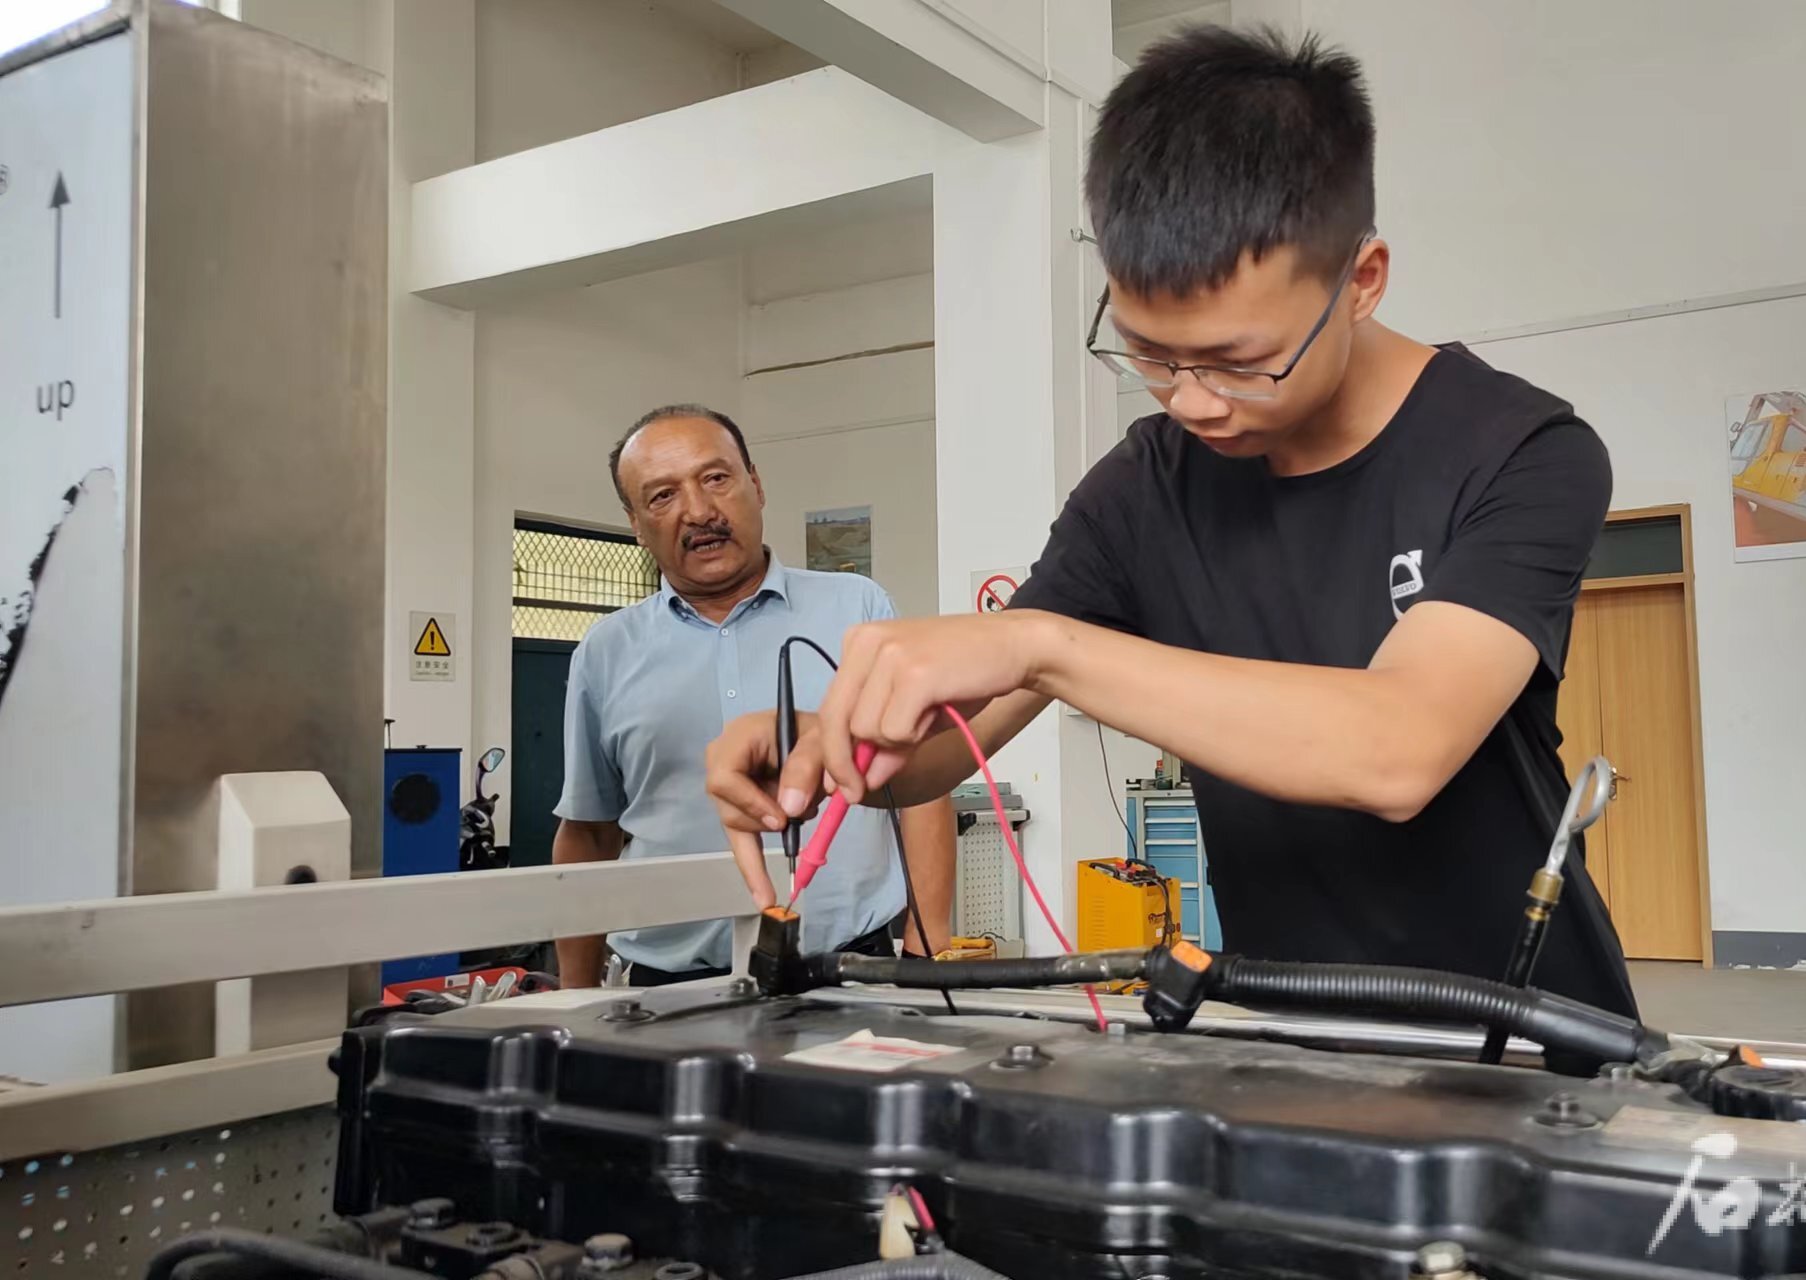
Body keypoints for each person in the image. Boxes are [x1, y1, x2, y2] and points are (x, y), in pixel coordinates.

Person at [704, 27, 1634, 1022]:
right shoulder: (1144, 487)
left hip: (1528, 1027)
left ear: (1360, 280)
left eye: (1240, 362)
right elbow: (950, 747)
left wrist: (1039, 645)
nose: (1190, 400)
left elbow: (1398, 749)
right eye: (1148, 353)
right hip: (1290, 1029)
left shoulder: (1518, 449)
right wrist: (833, 744)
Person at [552, 404, 957, 987]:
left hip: (850, 968)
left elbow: (921, 782)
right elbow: (590, 830)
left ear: (756, 485)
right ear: (636, 524)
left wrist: (925, 948)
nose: (699, 511)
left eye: (716, 478)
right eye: (663, 496)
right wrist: (575, 995)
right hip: (669, 985)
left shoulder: (857, 608)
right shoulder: (606, 650)